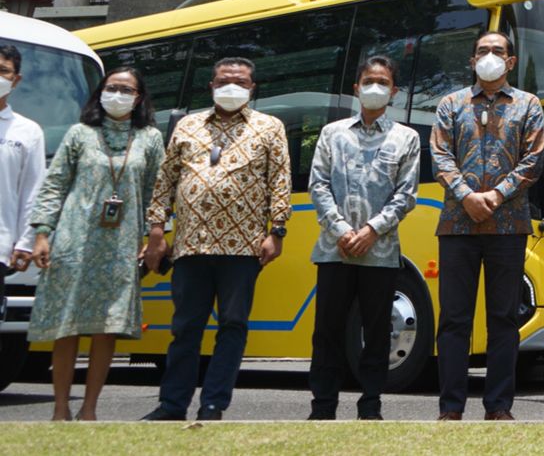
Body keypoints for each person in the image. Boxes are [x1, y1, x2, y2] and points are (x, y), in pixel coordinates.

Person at [142, 56, 292, 422]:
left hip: (242, 248)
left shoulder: (269, 127)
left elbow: (280, 182)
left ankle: (213, 404)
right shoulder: (187, 126)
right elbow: (165, 182)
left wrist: (278, 231)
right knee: (185, 328)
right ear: (211, 86)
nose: (232, 87)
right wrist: (157, 231)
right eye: (224, 81)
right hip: (191, 245)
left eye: (240, 82)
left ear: (252, 88)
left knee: (233, 326)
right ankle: (172, 405)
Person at [26, 68, 164, 420]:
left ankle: (89, 409)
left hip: (122, 244)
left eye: (126, 89)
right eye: (111, 87)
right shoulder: (79, 133)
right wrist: (42, 232)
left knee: (107, 328)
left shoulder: (149, 138)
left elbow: (156, 192)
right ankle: (60, 409)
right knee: (66, 324)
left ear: (139, 97)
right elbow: (55, 184)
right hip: (73, 238)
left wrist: (153, 236)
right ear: (100, 93)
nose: (118, 94)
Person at [430, 30, 544, 422]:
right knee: (454, 319)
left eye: (497, 51)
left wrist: (495, 197)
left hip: (508, 226)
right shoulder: (450, 104)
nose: (489, 56)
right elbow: (440, 157)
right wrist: (466, 196)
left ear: (510, 62)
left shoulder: (528, 104)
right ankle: (450, 407)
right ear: (471, 60)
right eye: (482, 51)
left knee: (503, 319)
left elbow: (533, 161)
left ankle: (498, 406)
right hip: (457, 227)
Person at [306, 55, 420, 421]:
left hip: (381, 253)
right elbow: (318, 185)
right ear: (356, 88)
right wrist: (342, 229)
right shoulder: (332, 133)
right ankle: (322, 408)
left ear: (394, 91)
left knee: (376, 332)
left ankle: (370, 406)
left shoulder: (407, 137)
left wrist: (371, 230)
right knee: (327, 333)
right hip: (333, 250)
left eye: (383, 82)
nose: (375, 87)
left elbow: (406, 194)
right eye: (369, 81)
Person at [0, 45, 46, 277]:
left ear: (16, 80)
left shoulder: (28, 131)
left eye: (3, 71)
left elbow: (33, 191)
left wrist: (26, 242)